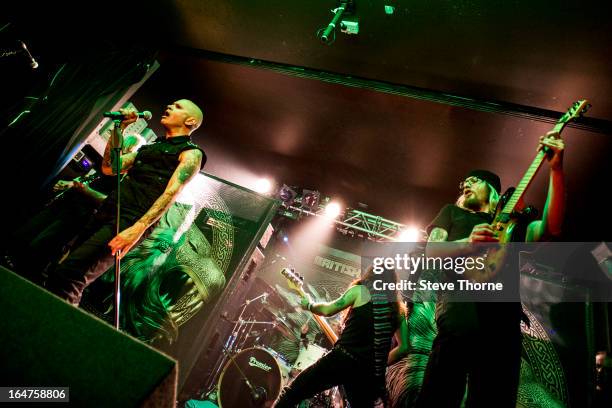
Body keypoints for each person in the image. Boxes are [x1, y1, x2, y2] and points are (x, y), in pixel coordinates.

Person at [416, 131, 565, 407]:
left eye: (474, 180)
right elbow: (432, 251)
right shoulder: (452, 212)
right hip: (460, 315)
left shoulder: (511, 226)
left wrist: (556, 170)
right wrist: (466, 242)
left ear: (494, 190)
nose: (466, 184)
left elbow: (550, 229)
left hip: (502, 325)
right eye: (464, 182)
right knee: (438, 397)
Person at [46, 99, 205, 305]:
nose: (168, 107)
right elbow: (110, 167)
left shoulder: (191, 153)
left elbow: (170, 194)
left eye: (177, 107)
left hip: (131, 218)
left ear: (190, 121)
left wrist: (137, 228)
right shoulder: (153, 146)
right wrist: (119, 127)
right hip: (108, 210)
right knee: (62, 268)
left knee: (72, 274)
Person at [7, 134, 145, 283]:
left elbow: (108, 201)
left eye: (127, 150)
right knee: (24, 234)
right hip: (65, 204)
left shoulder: (125, 179)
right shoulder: (108, 166)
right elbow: (89, 180)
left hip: (78, 214)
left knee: (38, 247)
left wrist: (85, 191)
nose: (123, 152)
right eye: (123, 147)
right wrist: (70, 184)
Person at [274, 267, 410, 408]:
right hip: (367, 373)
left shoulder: (361, 291)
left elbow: (327, 310)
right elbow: (404, 347)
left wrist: (309, 305)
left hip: (342, 359)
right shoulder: (398, 309)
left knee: (293, 393)